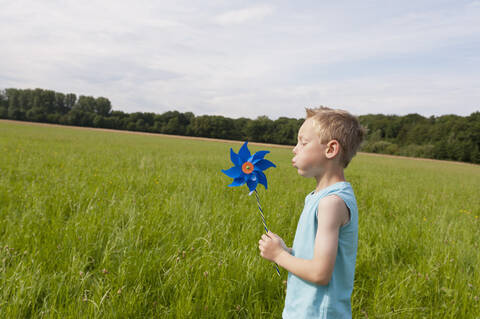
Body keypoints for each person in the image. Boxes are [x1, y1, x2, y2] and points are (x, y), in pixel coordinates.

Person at [258, 106, 365, 318]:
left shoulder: (331, 203)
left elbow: (320, 273)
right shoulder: (318, 197)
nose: (294, 149)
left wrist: (279, 255)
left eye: (303, 142)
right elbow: (314, 259)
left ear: (331, 149)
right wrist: (287, 252)